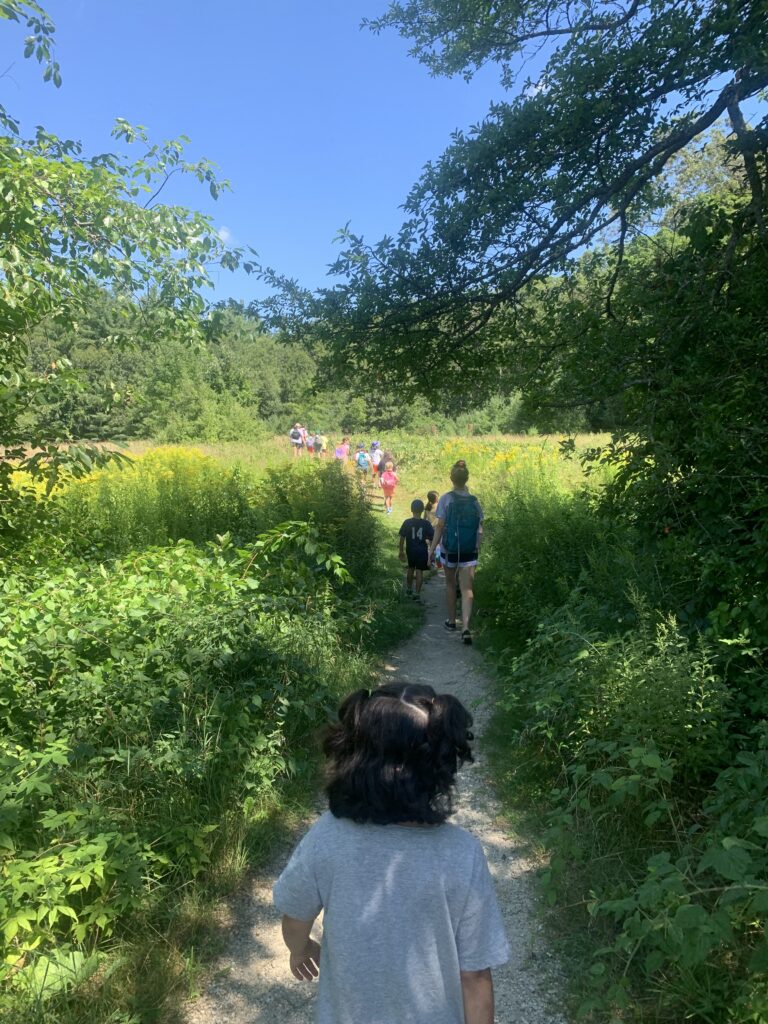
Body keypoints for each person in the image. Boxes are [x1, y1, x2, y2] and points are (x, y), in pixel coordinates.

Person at [273, 683, 509, 1024]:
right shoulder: (462, 853)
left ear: (351, 756)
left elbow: (295, 917)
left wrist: (301, 949)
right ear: (440, 766)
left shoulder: (328, 835)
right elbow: (474, 975)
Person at [428, 460, 483, 645]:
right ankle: (466, 627)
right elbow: (480, 529)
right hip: (469, 550)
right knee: (467, 589)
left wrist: (431, 549)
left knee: (451, 585)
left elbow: (440, 527)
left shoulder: (446, 499)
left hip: (450, 549)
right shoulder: (475, 502)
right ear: (466, 478)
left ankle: (452, 622)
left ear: (452, 478)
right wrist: (477, 548)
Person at [399, 499, 434, 598]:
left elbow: (402, 537)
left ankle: (409, 589)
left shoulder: (407, 522)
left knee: (410, 568)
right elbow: (432, 537)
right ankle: (417, 593)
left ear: (411, 509)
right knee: (419, 571)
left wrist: (401, 550)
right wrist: (431, 551)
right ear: (422, 510)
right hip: (422, 551)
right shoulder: (426, 524)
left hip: (410, 550)